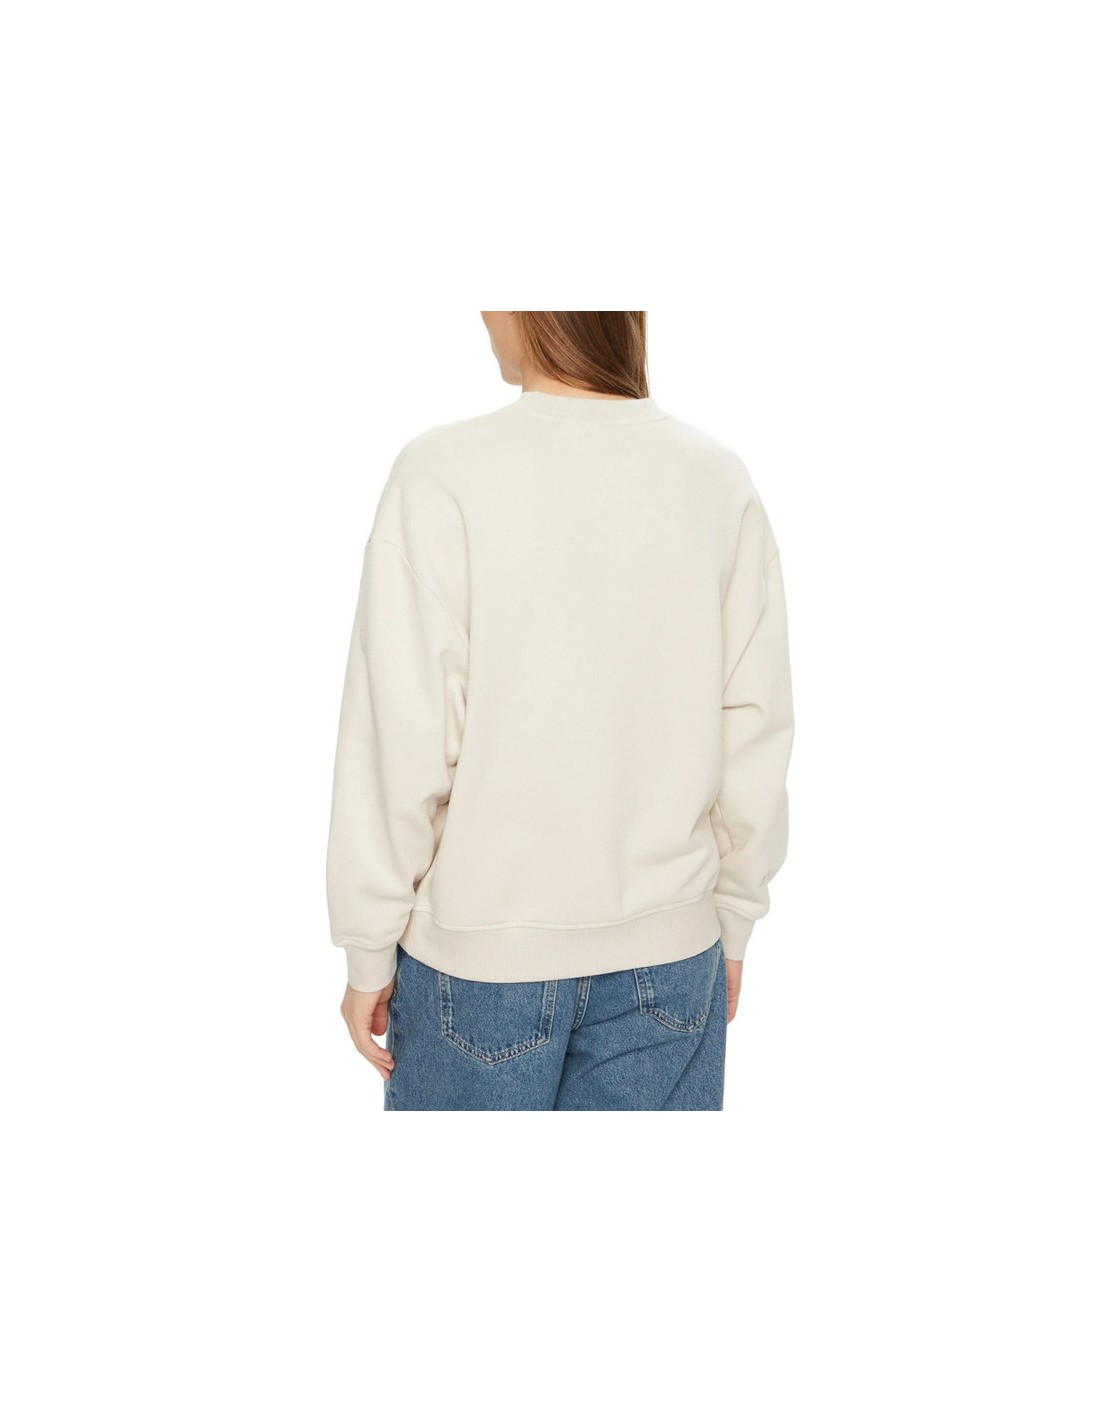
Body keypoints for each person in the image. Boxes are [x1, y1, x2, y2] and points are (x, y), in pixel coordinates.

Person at [325, 311, 795, 1110]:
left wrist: (368, 946)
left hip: (479, 968)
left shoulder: (442, 474)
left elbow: (398, 738)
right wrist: (734, 915)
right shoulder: (716, 481)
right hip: (671, 958)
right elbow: (754, 725)